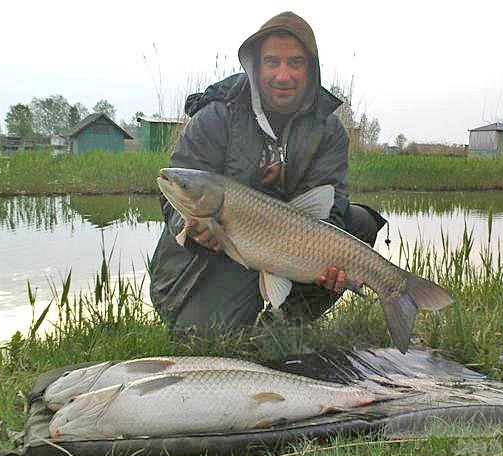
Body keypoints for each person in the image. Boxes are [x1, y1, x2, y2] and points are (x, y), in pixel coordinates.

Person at [150, 11, 385, 338]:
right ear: (256, 66)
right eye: (272, 62)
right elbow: (172, 195)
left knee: (357, 223)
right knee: (208, 335)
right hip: (207, 263)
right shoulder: (217, 116)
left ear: (311, 69)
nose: (283, 75)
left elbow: (329, 204)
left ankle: (282, 323)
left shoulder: (329, 130)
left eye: (295, 63)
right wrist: (190, 229)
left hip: (284, 247)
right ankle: (222, 318)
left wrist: (327, 259)